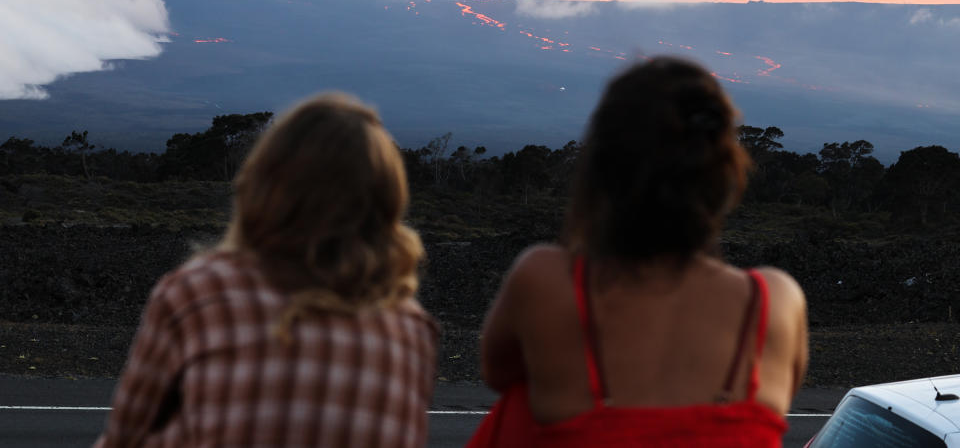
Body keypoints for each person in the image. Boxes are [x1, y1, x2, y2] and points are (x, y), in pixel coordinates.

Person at [476, 57, 808, 446]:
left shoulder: (545, 278)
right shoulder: (773, 301)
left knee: (521, 399)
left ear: (601, 169)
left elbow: (499, 374)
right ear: (722, 173)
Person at [96, 93, 437, 447]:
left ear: (263, 183)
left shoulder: (199, 292)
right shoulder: (412, 330)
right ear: (388, 201)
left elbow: (123, 438)